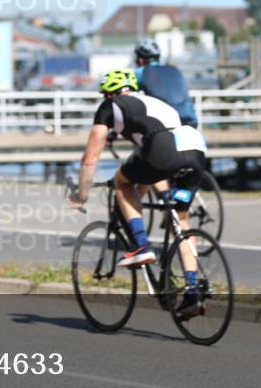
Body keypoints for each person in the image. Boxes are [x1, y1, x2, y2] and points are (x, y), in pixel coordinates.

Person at [67, 69, 206, 307]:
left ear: (109, 94)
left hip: (163, 150)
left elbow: (90, 158)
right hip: (194, 149)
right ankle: (192, 291)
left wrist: (81, 194)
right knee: (181, 222)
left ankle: (141, 246)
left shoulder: (110, 106)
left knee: (122, 182)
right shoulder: (153, 102)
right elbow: (158, 149)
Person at [134, 38, 204, 232]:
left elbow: (128, 100)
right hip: (189, 121)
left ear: (140, 59)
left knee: (152, 158)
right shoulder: (175, 70)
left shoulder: (141, 73)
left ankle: (166, 201)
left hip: (166, 122)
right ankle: (180, 200)